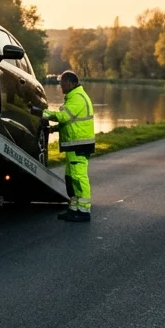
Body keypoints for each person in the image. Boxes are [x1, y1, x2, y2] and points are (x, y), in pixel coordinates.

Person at [43, 70, 95, 222]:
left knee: (79, 177)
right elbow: (69, 122)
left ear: (72, 83)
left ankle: (84, 211)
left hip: (79, 145)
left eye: (63, 84)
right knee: (71, 178)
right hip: (75, 145)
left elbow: (63, 117)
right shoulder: (73, 97)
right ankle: (74, 209)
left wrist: (43, 113)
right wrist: (53, 129)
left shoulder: (77, 98)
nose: (61, 87)